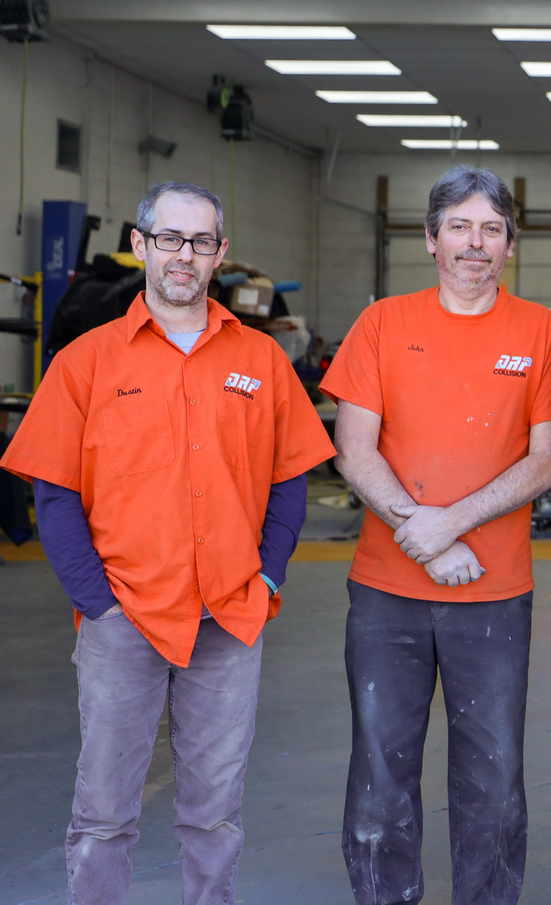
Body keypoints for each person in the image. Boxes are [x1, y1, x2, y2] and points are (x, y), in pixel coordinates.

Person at [0, 181, 334, 905]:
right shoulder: (86, 362)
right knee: (103, 814)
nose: (186, 254)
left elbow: (291, 481)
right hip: (124, 616)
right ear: (143, 244)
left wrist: (267, 580)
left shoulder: (263, 360)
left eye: (203, 240)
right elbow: (55, 495)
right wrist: (99, 603)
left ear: (221, 254)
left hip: (229, 616)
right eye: (171, 238)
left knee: (215, 814)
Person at [323, 167, 551, 905]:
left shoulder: (540, 332)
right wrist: (423, 533)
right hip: (385, 593)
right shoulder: (382, 325)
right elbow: (354, 449)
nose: (476, 243)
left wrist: (450, 523)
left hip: (493, 593)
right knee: (379, 770)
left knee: (492, 778)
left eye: (491, 229)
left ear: (509, 245)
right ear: (430, 239)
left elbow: (549, 457)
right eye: (460, 227)